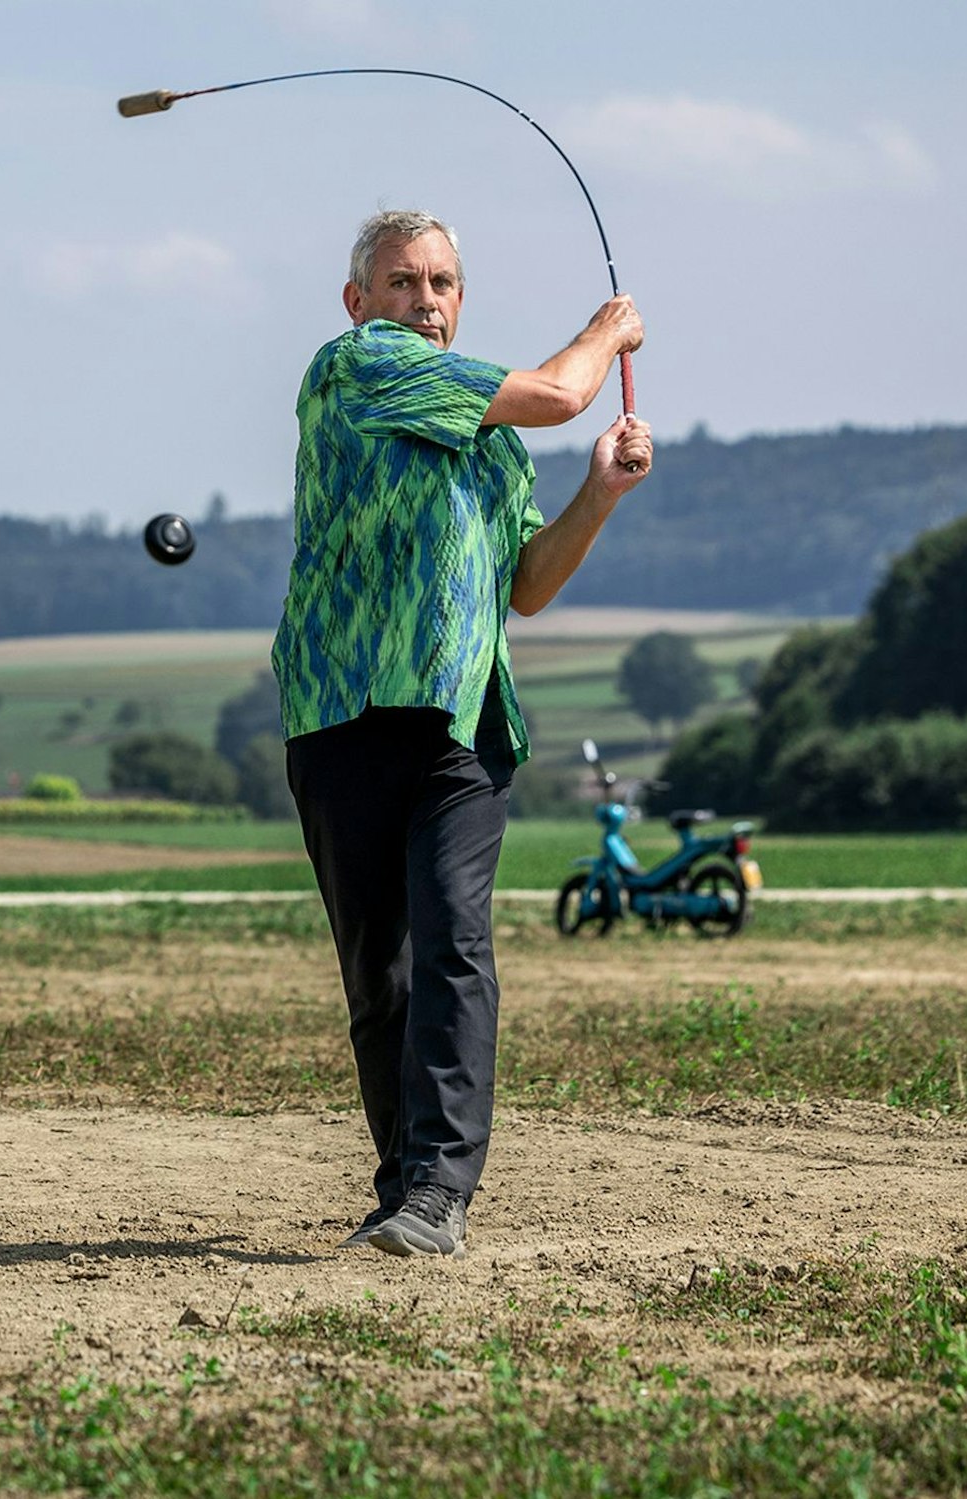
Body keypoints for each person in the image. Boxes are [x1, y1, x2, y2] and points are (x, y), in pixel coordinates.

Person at [274, 209, 651, 1257]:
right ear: (359, 301)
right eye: (399, 282)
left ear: (459, 298)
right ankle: (399, 1181)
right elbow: (562, 391)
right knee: (376, 967)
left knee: (453, 939)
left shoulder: (491, 448)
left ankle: (437, 1193)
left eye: (439, 283)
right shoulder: (354, 366)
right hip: (342, 707)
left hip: (460, 722)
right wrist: (607, 330)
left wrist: (597, 492)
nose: (422, 302)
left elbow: (524, 584)